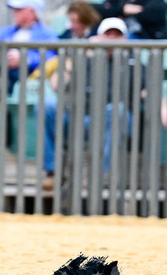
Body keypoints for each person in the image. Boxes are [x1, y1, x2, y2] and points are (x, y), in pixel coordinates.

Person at [41, 17, 140, 191]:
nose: (111, 39)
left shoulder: (133, 62)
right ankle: (52, 171)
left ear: (125, 39)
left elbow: (148, 90)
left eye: (117, 35)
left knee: (118, 110)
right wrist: (78, 57)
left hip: (110, 120)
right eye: (107, 35)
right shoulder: (82, 58)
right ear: (98, 37)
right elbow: (57, 84)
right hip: (78, 118)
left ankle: (103, 175)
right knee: (47, 106)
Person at [0, 0, 59, 94]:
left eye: (19, 10)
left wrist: (26, 60)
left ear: (31, 12)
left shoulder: (48, 35)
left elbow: (52, 59)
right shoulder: (6, 31)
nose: (14, 13)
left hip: (27, 77)